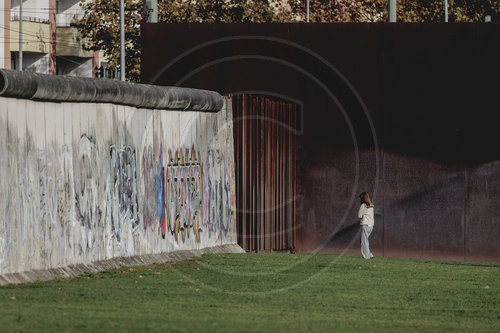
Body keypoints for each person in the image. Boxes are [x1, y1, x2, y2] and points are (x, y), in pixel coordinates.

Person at [358, 192, 374, 259]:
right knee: (365, 241)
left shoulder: (363, 205)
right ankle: (370, 255)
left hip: (365, 225)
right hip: (371, 225)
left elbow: (359, 215)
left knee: (363, 242)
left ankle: (366, 256)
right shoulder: (371, 205)